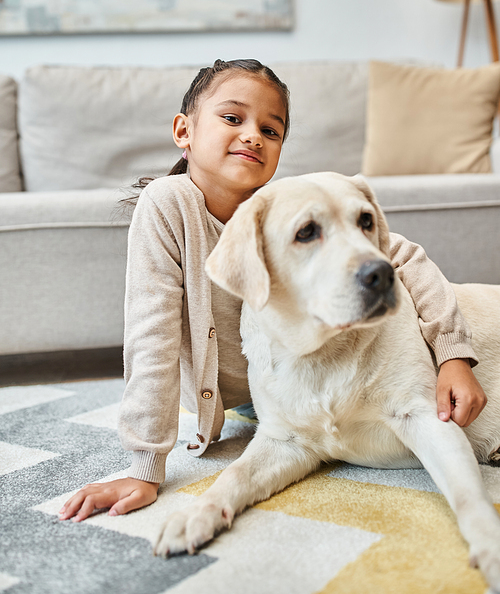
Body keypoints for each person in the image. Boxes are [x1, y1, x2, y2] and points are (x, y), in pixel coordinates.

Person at [59, 58, 486, 523]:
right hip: (239, 396)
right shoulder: (167, 204)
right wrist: (145, 467)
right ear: (184, 131)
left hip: (289, 384)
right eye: (232, 118)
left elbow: (398, 256)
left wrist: (452, 353)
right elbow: (152, 333)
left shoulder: (286, 205)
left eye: (271, 130)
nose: (252, 136)